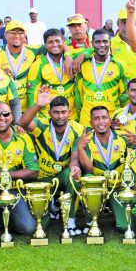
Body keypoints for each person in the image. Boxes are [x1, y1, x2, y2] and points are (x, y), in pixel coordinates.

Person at [20, 91, 85, 234]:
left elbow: (75, 155)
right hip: (41, 179)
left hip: (61, 175)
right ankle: (50, 206)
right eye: (56, 112)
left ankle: (70, 221)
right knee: (40, 225)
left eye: (63, 112)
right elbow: (23, 123)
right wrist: (38, 105)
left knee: (71, 175)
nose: (60, 116)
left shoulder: (77, 129)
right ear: (49, 113)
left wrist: (75, 167)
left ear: (69, 113)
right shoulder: (42, 126)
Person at [0, 100, 38, 237]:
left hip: (14, 190)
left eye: (6, 114)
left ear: (11, 117)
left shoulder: (23, 137)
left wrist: (3, 175)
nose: (2, 118)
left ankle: (2, 219)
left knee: (27, 228)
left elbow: (33, 171)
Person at [76, 105, 130, 234]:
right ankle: (91, 221)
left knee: (125, 227)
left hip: (117, 187)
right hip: (97, 187)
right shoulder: (87, 140)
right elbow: (88, 169)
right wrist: (80, 149)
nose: (101, 122)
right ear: (91, 123)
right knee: (88, 179)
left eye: (104, 118)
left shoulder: (123, 137)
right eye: (96, 119)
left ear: (110, 120)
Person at [76, 29, 127, 125]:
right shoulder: (83, 64)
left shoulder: (119, 65)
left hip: (110, 118)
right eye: (97, 42)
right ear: (92, 44)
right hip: (87, 119)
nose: (102, 45)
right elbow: (78, 93)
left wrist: (116, 108)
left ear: (110, 43)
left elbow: (126, 92)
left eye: (105, 41)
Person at [26, 28, 78, 121]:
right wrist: (34, 121)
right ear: (45, 45)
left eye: (58, 41)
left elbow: (91, 51)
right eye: (50, 42)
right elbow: (32, 96)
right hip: (48, 119)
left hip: (72, 118)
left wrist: (68, 55)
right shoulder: (38, 65)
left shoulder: (73, 57)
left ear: (63, 42)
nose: (54, 45)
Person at [0, 20, 40, 112]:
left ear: (25, 36)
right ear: (6, 35)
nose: (17, 36)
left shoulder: (34, 50)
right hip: (4, 110)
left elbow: (55, 45)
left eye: (20, 33)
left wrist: (68, 56)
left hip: (27, 109)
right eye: (13, 33)